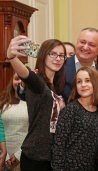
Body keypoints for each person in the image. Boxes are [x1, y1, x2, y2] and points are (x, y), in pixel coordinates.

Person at [6, 36, 66, 171]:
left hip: (50, 155)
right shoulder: (38, 82)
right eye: (53, 54)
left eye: (61, 55)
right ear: (43, 55)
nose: (58, 58)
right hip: (35, 156)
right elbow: (25, 74)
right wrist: (12, 57)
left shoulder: (53, 86)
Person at [52, 67, 98, 171]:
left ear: (96, 83)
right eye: (79, 82)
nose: (83, 85)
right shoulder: (71, 109)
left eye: (87, 81)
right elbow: (58, 145)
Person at [64, 27, 98, 103]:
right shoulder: (61, 67)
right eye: (82, 42)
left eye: (91, 45)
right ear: (76, 43)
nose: (85, 47)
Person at [0, 73, 28, 171]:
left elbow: (35, 132)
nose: (20, 82)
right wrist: (5, 155)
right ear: (12, 81)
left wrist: (18, 155)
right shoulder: (2, 102)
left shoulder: (34, 103)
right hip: (3, 158)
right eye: (17, 79)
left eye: (23, 79)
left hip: (25, 157)